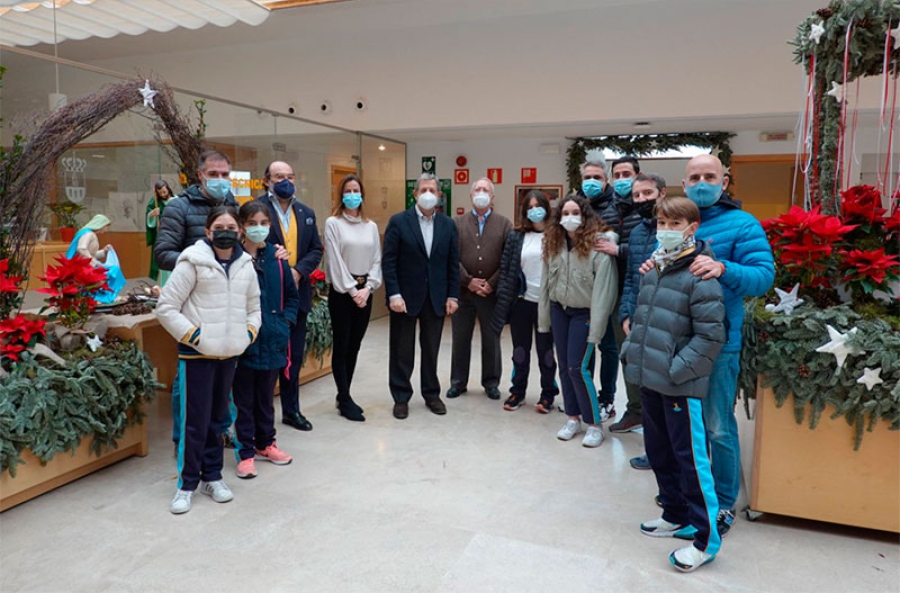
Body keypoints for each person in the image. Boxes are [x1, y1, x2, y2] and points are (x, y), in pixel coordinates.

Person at [621, 196, 725, 573]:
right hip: (650, 380)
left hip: (681, 385)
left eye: (673, 224)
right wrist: (633, 352)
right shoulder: (653, 269)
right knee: (659, 451)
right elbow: (642, 319)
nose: (665, 230)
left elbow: (711, 337)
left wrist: (676, 370)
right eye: (661, 223)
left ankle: (704, 539)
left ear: (692, 228)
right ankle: (674, 513)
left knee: (691, 460)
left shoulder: (700, 274)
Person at [677, 154, 774, 535]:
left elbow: (763, 277)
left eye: (709, 176)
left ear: (725, 181)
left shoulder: (742, 224)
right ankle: (694, 493)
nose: (702, 182)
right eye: (694, 177)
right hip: (679, 343)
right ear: (683, 185)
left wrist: (724, 268)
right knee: (687, 424)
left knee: (717, 425)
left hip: (720, 343)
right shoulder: (677, 223)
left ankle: (723, 501)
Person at [156, 205, 261, 514]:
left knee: (219, 419)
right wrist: (195, 338)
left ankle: (212, 476)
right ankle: (186, 484)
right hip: (197, 355)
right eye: (220, 227)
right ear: (208, 232)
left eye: (232, 227)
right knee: (194, 422)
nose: (226, 232)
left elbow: (253, 306)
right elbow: (166, 307)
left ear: (240, 232)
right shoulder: (192, 262)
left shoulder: (245, 264)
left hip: (229, 355)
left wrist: (248, 334)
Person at [154, 150, 240, 449]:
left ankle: (222, 428)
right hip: (193, 303)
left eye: (224, 175)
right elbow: (163, 253)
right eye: (213, 174)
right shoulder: (178, 207)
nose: (219, 180)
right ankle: (184, 439)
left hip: (227, 302)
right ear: (200, 174)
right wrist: (201, 264)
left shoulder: (232, 205)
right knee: (187, 376)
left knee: (226, 367)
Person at [538, 195, 617, 448]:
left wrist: (596, 329)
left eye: (575, 212)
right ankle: (573, 417)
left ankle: (594, 423)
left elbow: (604, 290)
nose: (570, 218)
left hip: (585, 313)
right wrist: (543, 321)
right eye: (565, 213)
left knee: (577, 367)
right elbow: (545, 284)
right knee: (564, 366)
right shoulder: (554, 243)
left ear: (584, 216)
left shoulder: (598, 246)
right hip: (559, 310)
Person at [382, 173, 459, 420]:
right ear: (415, 194)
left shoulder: (448, 225)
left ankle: (431, 394)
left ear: (439, 195)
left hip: (436, 297)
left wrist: (453, 296)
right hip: (404, 298)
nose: (428, 194)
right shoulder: (398, 222)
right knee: (402, 349)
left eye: (432, 190)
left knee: (431, 348)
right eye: (423, 190)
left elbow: (452, 264)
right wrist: (393, 293)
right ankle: (401, 396)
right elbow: (389, 261)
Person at [232, 201, 299, 479]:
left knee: (266, 398)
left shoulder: (278, 258)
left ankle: (266, 444)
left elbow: (292, 296)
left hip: (273, 339)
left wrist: (286, 322)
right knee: (244, 400)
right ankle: (245, 452)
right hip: (245, 343)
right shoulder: (232, 258)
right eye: (252, 223)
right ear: (241, 227)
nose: (258, 228)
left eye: (263, 223)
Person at [257, 161, 323, 432]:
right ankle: (260, 417)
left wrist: (298, 271)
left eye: (290, 177)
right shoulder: (256, 211)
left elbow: (316, 249)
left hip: (298, 294)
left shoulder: (305, 212)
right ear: (266, 180)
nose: (285, 181)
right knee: (265, 358)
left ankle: (291, 410)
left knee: (293, 357)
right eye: (278, 176)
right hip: (266, 296)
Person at [611, 173, 668, 468]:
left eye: (648, 193)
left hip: (666, 321)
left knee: (664, 390)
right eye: (637, 196)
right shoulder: (636, 234)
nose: (642, 200)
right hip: (637, 318)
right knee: (644, 385)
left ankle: (667, 455)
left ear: (662, 194)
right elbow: (632, 279)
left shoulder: (672, 231)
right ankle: (654, 450)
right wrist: (626, 312)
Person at [490, 189, 558, 413]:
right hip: (522, 302)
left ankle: (548, 394)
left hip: (547, 304)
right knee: (520, 350)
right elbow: (507, 269)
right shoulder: (516, 236)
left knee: (546, 352)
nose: (534, 210)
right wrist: (503, 299)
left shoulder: (557, 234)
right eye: (529, 207)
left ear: (547, 209)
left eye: (538, 206)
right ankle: (517, 392)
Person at [324, 174, 382, 422]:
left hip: (365, 291)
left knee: (355, 345)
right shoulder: (333, 223)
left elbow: (377, 258)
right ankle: (344, 397)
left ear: (362, 194)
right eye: (347, 190)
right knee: (343, 343)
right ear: (341, 195)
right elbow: (334, 260)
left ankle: (344, 394)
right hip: (342, 293)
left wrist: (368, 288)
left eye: (356, 190)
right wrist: (351, 290)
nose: (352, 194)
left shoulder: (370, 226)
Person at [448, 177, 512, 401]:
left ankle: (491, 382)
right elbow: (451, 257)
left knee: (491, 338)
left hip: (490, 294)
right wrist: (468, 281)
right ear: (471, 195)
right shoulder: (456, 223)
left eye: (485, 190)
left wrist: (490, 284)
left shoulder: (505, 224)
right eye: (478, 189)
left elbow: (508, 259)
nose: (481, 193)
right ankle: (458, 382)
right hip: (463, 293)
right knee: (460, 338)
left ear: (492, 197)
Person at [594, 156, 645, 428]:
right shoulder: (609, 210)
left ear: (638, 175)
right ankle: (632, 408)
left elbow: (652, 248)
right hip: (614, 288)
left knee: (642, 354)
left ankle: (643, 411)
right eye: (618, 174)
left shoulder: (649, 210)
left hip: (644, 289)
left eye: (627, 173)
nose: (622, 178)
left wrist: (619, 250)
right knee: (622, 348)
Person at [578, 158, 618, 421]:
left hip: (607, 287)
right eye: (587, 177)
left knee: (608, 346)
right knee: (585, 347)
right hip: (581, 289)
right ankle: (585, 396)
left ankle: (607, 399)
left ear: (606, 181)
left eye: (597, 177)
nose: (591, 182)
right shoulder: (577, 207)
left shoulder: (617, 207)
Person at [66, 213, 125, 304]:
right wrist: (93, 262)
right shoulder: (88, 234)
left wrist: (104, 252)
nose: (107, 229)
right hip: (83, 266)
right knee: (113, 271)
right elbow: (81, 248)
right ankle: (101, 296)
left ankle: (103, 295)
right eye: (107, 226)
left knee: (112, 270)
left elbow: (90, 253)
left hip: (88, 264)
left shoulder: (91, 234)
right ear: (101, 225)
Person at [146, 180, 174, 285]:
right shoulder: (155, 202)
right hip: (162, 236)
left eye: (164, 191)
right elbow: (149, 217)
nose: (163, 194)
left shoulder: (176, 200)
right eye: (160, 193)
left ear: (168, 189)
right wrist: (152, 214)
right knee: (162, 261)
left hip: (174, 235)